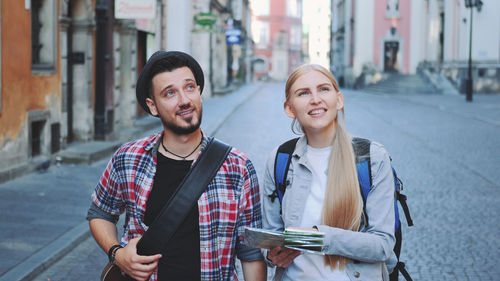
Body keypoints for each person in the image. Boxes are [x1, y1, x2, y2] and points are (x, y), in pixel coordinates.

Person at [87, 51, 266, 281]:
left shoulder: (237, 167)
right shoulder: (129, 158)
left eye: (189, 87)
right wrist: (117, 254)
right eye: (170, 93)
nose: (184, 100)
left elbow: (251, 252)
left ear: (199, 92)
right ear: (153, 107)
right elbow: (100, 211)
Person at [261, 64, 397, 281]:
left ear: (339, 100)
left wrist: (320, 238)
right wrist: (272, 254)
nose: (315, 99)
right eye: (303, 93)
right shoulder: (280, 160)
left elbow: (382, 245)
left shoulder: (371, 158)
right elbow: (270, 236)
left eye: (323, 89)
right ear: (290, 108)